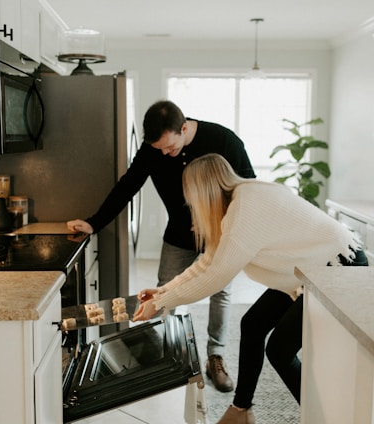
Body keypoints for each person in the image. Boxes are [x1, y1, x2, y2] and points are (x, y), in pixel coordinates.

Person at [132, 153, 368, 424]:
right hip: (308, 271)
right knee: (253, 324)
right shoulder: (237, 205)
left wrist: (163, 302)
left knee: (279, 350)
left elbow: (216, 276)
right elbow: (207, 264)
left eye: (190, 195)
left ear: (203, 191)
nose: (189, 202)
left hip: (336, 265)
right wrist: (163, 293)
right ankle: (241, 411)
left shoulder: (245, 208)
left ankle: (321, 418)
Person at [67, 100, 256, 392]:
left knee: (221, 291)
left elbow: (248, 187)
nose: (166, 154)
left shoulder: (223, 140)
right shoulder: (154, 149)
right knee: (165, 289)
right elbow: (127, 186)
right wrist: (94, 222)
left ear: (183, 128)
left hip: (220, 233)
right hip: (178, 234)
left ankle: (214, 357)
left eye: (170, 147)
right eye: (160, 150)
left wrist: (222, 220)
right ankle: (168, 353)